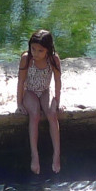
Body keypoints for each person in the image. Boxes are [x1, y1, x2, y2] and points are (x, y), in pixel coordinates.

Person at [17, 30, 63, 174]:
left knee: (51, 113)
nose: (36, 53)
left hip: (45, 90)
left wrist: (57, 100)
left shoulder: (53, 59)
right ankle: (34, 155)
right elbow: (21, 81)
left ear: (48, 50)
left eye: (40, 51)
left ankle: (56, 154)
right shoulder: (27, 58)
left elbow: (57, 80)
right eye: (33, 49)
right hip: (30, 91)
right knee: (35, 114)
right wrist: (19, 103)